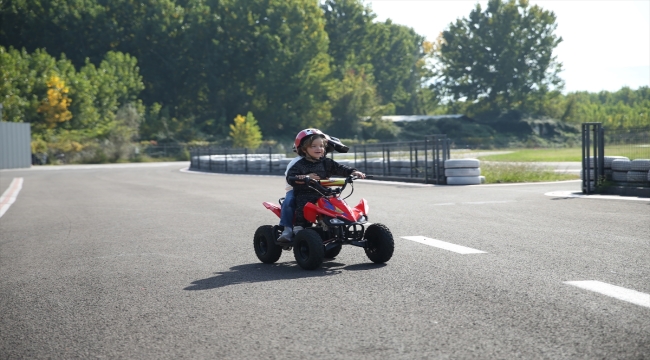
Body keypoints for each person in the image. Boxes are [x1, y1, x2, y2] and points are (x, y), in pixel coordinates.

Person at [285, 129, 365, 237]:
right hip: (306, 192)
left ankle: (340, 222)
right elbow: (291, 177)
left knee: (336, 201)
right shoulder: (299, 164)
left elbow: (340, 168)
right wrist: (306, 177)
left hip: (323, 192)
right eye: (313, 146)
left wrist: (353, 172)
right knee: (303, 204)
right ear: (304, 149)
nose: (319, 148)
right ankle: (299, 226)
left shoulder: (326, 162)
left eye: (321, 146)